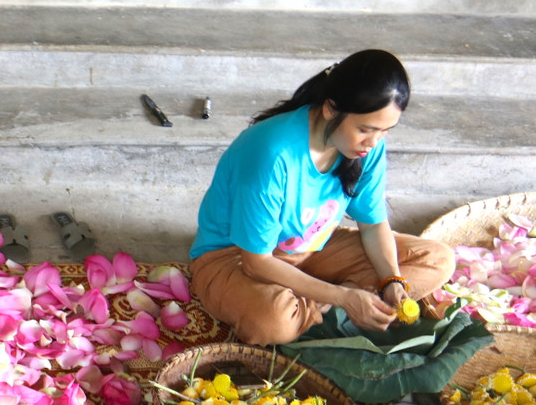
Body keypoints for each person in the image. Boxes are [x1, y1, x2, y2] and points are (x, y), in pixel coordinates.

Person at [189, 49, 455, 345]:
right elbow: (256, 262)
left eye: (385, 131)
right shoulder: (271, 153)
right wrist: (342, 296)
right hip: (234, 258)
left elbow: (373, 225)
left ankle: (322, 305)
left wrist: (392, 280)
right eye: (365, 130)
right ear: (330, 109)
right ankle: (334, 305)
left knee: (437, 259)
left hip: (309, 247)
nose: (374, 142)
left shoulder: (369, 146)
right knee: (273, 322)